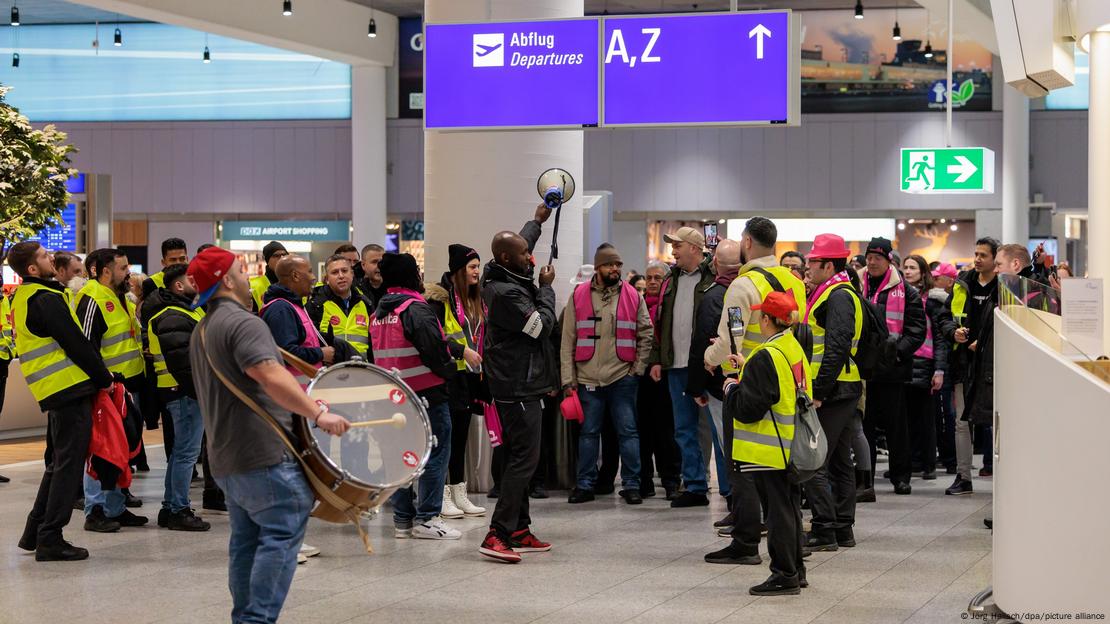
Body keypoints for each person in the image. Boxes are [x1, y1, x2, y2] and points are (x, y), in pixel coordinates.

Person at [187, 246, 350, 623]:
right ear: (227, 280)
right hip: (261, 452)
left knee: (245, 541)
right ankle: (256, 619)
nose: (250, 278)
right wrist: (317, 413)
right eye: (242, 272)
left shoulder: (203, 329)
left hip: (227, 457)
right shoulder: (244, 323)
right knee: (284, 524)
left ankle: (245, 617)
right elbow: (268, 373)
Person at [12, 242, 115, 561]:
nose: (51, 259)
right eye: (44, 257)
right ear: (32, 269)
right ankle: (51, 538)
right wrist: (104, 378)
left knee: (57, 463)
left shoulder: (25, 297)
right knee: (68, 466)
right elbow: (77, 344)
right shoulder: (46, 299)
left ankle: (35, 531)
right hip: (68, 388)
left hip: (54, 390)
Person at [478, 204, 558, 563]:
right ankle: (497, 533)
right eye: (525, 254)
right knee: (525, 459)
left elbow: (519, 242)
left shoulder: (504, 268)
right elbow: (541, 326)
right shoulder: (505, 293)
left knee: (517, 457)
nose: (531, 256)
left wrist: (538, 221)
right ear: (508, 258)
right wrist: (546, 290)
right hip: (517, 384)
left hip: (517, 382)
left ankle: (519, 528)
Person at [723, 291, 811, 596]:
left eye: (761, 315)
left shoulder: (766, 355)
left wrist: (733, 387)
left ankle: (783, 574)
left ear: (767, 319)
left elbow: (749, 408)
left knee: (777, 513)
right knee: (789, 509)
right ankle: (796, 570)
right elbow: (780, 385)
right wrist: (748, 366)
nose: (758, 320)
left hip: (769, 449)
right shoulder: (791, 347)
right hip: (791, 445)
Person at [369, 253, 461, 540]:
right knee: (434, 452)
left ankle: (402, 519)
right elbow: (436, 352)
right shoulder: (416, 310)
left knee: (399, 457)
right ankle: (428, 518)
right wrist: (449, 373)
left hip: (395, 397)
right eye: (417, 271)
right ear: (411, 276)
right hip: (427, 396)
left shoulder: (378, 315)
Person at [561, 243, 653, 505]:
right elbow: (568, 341)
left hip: (622, 376)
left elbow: (646, 333)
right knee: (588, 434)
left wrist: (637, 369)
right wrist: (568, 379)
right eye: (610, 264)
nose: (615, 269)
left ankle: (632, 485)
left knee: (628, 432)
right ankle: (585, 485)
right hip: (587, 378)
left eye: (618, 265)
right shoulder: (578, 295)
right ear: (598, 267)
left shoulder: (634, 296)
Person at [75, 248, 149, 531]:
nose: (127, 272)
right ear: (105, 271)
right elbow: (85, 347)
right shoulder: (93, 298)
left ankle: (116, 507)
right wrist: (101, 382)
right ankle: (95, 510)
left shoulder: (121, 298)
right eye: (122, 268)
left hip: (128, 385)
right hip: (106, 387)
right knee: (100, 449)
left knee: (124, 448)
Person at [802, 234, 865, 551]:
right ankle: (842, 528)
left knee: (813, 460)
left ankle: (825, 529)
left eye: (812, 261)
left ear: (828, 264)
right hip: (840, 386)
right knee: (840, 460)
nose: (807, 266)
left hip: (834, 387)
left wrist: (819, 391)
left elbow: (837, 347)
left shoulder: (838, 295)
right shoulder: (832, 292)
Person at [648, 226, 717, 508]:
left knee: (714, 427)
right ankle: (695, 485)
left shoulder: (712, 278)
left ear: (694, 248)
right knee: (683, 428)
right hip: (675, 364)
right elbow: (661, 323)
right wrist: (656, 358)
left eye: (677, 246)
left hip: (706, 364)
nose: (673, 251)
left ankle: (727, 487)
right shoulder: (670, 279)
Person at [144, 263, 211, 531]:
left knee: (180, 452)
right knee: (186, 453)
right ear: (178, 285)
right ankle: (179, 510)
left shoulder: (185, 311)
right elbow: (183, 363)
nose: (198, 282)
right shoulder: (172, 315)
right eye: (191, 279)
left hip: (181, 390)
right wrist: (199, 391)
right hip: (183, 391)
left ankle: (171, 506)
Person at [424, 244, 489, 519]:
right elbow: (437, 339)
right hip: (447, 378)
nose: (477, 272)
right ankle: (441, 495)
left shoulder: (475, 298)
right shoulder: (438, 300)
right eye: (473, 267)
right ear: (459, 270)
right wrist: (462, 351)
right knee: (445, 439)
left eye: (478, 266)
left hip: (467, 378)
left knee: (461, 436)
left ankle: (458, 490)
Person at [859, 237, 926, 496]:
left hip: (894, 370)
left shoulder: (906, 292)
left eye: (878, 257)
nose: (872, 262)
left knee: (897, 428)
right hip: (865, 370)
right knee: (864, 429)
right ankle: (866, 480)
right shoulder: (857, 286)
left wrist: (895, 354)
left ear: (889, 260)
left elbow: (916, 331)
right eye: (869, 257)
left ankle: (901, 477)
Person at [942, 238, 998, 497]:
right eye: (975, 253)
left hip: (993, 365)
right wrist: (954, 332)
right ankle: (963, 477)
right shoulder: (963, 282)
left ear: (994, 259)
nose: (977, 259)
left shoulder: (1003, 285)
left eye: (983, 255)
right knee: (961, 423)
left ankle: (1001, 477)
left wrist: (983, 343)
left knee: (992, 422)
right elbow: (944, 316)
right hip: (963, 362)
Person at [902, 255, 950, 482]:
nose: (908, 271)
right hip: (905, 363)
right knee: (907, 419)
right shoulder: (899, 297)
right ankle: (912, 461)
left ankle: (929, 464)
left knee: (927, 419)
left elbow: (940, 338)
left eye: (913, 267)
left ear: (923, 272)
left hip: (926, 364)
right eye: (905, 267)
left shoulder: (932, 301)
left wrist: (939, 370)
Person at [637, 260, 680, 500]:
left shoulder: (670, 307)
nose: (652, 282)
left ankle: (671, 480)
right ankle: (644, 481)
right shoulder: (637, 305)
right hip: (641, 375)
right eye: (649, 277)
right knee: (643, 431)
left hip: (666, 374)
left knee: (667, 431)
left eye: (657, 278)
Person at [260, 255, 335, 384]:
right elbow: (286, 354)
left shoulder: (293, 305)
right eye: (310, 271)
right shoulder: (281, 309)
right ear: (295, 276)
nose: (314, 277)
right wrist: (321, 353)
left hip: (304, 392)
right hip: (293, 396)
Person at [306, 254, 375, 362]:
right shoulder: (315, 305)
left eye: (344, 270)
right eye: (335, 272)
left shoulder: (366, 304)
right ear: (327, 278)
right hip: (330, 372)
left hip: (362, 371)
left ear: (352, 274)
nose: (341, 276)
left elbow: (373, 345)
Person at [931, 262, 959, 474]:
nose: (935, 280)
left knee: (948, 414)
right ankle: (948, 457)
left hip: (948, 363)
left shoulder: (945, 303)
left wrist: (939, 369)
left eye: (938, 277)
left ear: (949, 280)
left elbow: (941, 337)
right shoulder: (938, 302)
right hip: (945, 362)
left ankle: (951, 458)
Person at [249, 241, 290, 312]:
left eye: (284, 255)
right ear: (267, 260)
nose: (281, 258)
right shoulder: (254, 286)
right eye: (276, 256)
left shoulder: (295, 284)